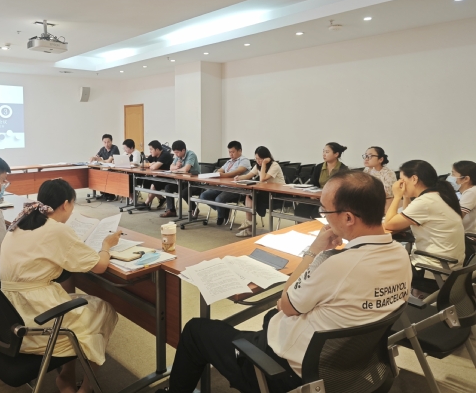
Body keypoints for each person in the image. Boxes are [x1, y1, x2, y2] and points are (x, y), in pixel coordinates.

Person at [157, 171, 411, 393]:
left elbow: (285, 304)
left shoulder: (338, 264)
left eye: (325, 211)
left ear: (348, 218)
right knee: (267, 319)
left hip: (287, 373)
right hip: (347, 366)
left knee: (196, 330)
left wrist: (314, 251)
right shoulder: (400, 255)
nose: (323, 217)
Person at [0, 179, 120, 393]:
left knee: (75, 308)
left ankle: (66, 375)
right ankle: (86, 388)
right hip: (33, 319)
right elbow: (100, 266)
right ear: (65, 204)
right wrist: (106, 245)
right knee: (103, 310)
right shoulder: (55, 229)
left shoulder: (21, 222)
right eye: (72, 206)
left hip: (7, 316)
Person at [384, 160, 464, 295]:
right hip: (448, 265)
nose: (400, 184)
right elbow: (406, 216)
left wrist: (397, 196)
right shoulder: (439, 195)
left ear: (414, 179)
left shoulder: (426, 202)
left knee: (381, 265)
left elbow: (389, 224)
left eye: (402, 180)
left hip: (432, 269)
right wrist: (405, 196)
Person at [234, 146, 285, 237]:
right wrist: (239, 178)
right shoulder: (258, 165)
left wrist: (264, 163)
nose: (258, 161)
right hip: (266, 191)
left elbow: (262, 179)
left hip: (278, 194)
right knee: (249, 195)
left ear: (266, 158)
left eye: (260, 159)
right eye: (256, 159)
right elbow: (249, 175)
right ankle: (249, 223)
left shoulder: (274, 165)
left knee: (251, 196)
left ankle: (249, 225)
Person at [199, 141, 251, 225]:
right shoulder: (229, 161)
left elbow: (236, 172)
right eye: (229, 152)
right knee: (203, 196)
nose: (231, 154)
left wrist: (221, 175)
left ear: (240, 151)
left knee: (219, 199)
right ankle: (224, 209)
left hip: (235, 189)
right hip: (223, 186)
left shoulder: (244, 160)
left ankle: (220, 216)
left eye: (233, 152)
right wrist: (216, 174)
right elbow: (220, 170)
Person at [297, 142, 349, 219]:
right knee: (300, 209)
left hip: (333, 200)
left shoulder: (343, 169)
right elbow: (313, 184)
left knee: (317, 213)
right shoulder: (319, 167)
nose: (324, 154)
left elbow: (343, 189)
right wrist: (312, 195)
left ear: (336, 154)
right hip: (317, 198)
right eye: (323, 151)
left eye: (327, 152)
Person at [160, 140, 200, 218]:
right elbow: (171, 167)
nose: (176, 154)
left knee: (184, 193)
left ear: (183, 150)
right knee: (168, 187)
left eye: (177, 152)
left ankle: (194, 209)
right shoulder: (178, 156)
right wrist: (176, 167)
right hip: (183, 182)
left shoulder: (191, 154)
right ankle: (171, 211)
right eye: (175, 153)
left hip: (194, 183)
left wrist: (176, 169)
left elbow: (186, 169)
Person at [142, 140, 174, 209]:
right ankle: (162, 199)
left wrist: (152, 165)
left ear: (157, 149)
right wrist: (151, 164)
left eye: (151, 149)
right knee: (146, 182)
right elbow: (143, 163)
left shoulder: (165, 154)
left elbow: (154, 167)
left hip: (168, 178)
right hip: (159, 177)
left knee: (153, 185)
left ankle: (146, 204)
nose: (150, 151)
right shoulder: (154, 155)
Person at [90, 134, 120, 200]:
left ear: (111, 141)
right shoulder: (102, 149)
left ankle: (111, 195)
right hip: (106, 169)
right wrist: (93, 158)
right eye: (105, 142)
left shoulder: (114, 148)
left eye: (108, 142)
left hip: (114, 170)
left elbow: (109, 161)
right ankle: (104, 193)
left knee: (105, 175)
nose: (106, 144)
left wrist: (101, 160)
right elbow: (97, 157)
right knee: (98, 174)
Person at [449, 160, 476, 234]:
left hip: (469, 236)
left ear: (466, 179)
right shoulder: (462, 193)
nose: (451, 177)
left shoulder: (472, 192)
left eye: (453, 174)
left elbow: (457, 217)